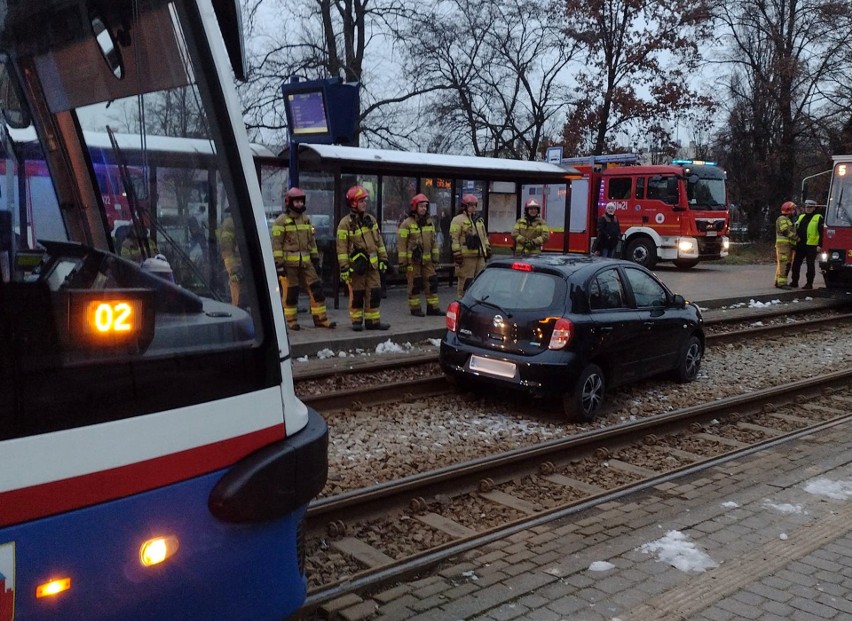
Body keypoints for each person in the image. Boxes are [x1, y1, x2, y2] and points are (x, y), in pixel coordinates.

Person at [271, 187, 336, 331]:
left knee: (316, 290)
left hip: (306, 264)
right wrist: (279, 265)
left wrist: (315, 259)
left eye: (301, 201)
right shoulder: (281, 221)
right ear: (289, 202)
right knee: (291, 293)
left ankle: (321, 319)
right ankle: (291, 321)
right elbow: (276, 245)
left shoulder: (306, 220)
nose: (299, 204)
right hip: (289, 265)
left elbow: (311, 242)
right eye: (297, 201)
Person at [336, 185, 390, 331]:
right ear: (353, 203)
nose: (364, 203)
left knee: (374, 293)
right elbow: (341, 248)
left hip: (372, 267)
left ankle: (373, 322)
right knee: (358, 295)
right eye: (361, 201)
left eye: (365, 200)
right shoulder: (345, 223)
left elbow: (379, 242)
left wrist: (384, 259)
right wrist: (344, 267)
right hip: (357, 268)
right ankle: (356, 321)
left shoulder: (370, 219)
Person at [398, 193, 442, 316]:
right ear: (415, 207)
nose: (424, 208)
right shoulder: (406, 224)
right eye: (421, 206)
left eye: (425, 206)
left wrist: (435, 259)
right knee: (415, 284)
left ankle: (433, 308)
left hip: (427, 261)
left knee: (432, 282)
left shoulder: (429, 222)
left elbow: (434, 242)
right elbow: (401, 245)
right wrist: (403, 262)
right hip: (413, 261)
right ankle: (415, 308)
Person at [450, 193, 491, 297]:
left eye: (474, 205)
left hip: (480, 256)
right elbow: (454, 238)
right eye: (470, 205)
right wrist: (457, 253)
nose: (473, 207)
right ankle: (461, 302)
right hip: (466, 257)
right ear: (465, 206)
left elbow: (484, 236)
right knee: (465, 281)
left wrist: (487, 248)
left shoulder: (479, 220)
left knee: (479, 281)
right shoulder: (458, 220)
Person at [790, 199, 823, 290]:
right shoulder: (801, 216)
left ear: (814, 208)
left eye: (810, 207)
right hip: (801, 244)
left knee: (810, 265)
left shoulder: (818, 217)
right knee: (796, 263)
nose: (808, 209)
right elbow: (796, 228)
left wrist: (820, 245)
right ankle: (794, 282)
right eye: (806, 207)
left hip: (812, 245)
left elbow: (821, 232)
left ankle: (809, 283)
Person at [217, 208, 242, 305]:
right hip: (238, 268)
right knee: (236, 298)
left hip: (244, 267)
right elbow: (226, 250)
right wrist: (233, 270)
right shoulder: (230, 224)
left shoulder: (242, 221)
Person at [774, 200, 798, 289]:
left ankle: (778, 281)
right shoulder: (782, 219)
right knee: (784, 264)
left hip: (787, 246)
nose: (794, 212)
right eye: (793, 210)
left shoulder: (787, 219)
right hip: (783, 246)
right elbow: (785, 231)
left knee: (784, 263)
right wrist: (796, 238)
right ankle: (782, 283)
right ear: (789, 210)